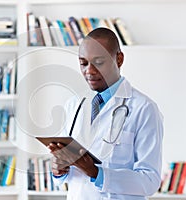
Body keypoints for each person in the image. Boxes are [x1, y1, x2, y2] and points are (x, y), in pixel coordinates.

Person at [48, 27, 163, 200]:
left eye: (99, 62)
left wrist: (97, 173)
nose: (90, 71)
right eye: (83, 63)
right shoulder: (74, 105)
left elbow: (150, 181)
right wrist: (59, 169)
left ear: (119, 59)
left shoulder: (144, 109)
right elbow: (67, 174)